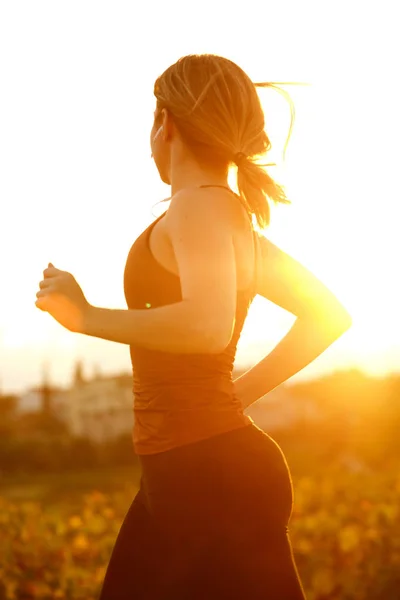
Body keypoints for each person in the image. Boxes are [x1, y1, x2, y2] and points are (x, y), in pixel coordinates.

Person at [35, 54, 352, 599]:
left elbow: (208, 327)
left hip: (207, 477)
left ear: (166, 123)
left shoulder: (197, 208)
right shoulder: (228, 217)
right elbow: (328, 316)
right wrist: (236, 394)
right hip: (188, 473)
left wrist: (86, 318)